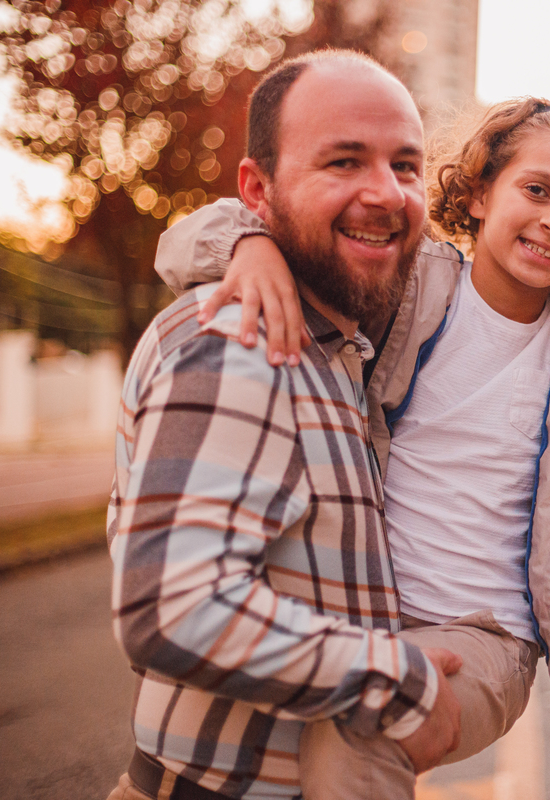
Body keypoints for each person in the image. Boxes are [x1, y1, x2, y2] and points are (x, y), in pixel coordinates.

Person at [152, 96, 550, 798]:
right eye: (537, 190)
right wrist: (246, 247)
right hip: (352, 610)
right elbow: (184, 241)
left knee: (369, 720)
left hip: (486, 636)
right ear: (477, 191)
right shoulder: (414, 281)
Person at [105, 50, 465, 800]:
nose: (387, 194)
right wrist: (399, 682)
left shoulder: (338, 347)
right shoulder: (245, 346)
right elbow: (173, 608)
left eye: (406, 165)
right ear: (257, 191)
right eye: (343, 161)